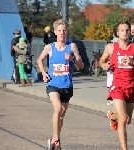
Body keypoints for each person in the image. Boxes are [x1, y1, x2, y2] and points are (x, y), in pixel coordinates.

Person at [37, 19, 84, 150]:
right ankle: (57, 141)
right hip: (53, 84)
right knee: (57, 109)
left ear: (67, 31)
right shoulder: (49, 47)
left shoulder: (72, 46)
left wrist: (73, 59)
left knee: (61, 115)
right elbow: (39, 59)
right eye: (59, 30)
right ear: (55, 32)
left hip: (67, 86)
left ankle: (53, 138)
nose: (62, 33)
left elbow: (81, 65)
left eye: (64, 30)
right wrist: (43, 73)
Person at [100, 20, 134, 150]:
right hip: (117, 87)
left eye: (127, 30)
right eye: (122, 30)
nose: (125, 32)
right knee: (123, 119)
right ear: (117, 32)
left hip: (131, 87)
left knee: (128, 119)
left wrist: (133, 62)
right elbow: (102, 61)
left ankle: (112, 116)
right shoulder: (111, 47)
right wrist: (104, 65)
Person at [107, 28, 119, 106]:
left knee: (111, 83)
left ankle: (113, 99)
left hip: (112, 67)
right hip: (118, 68)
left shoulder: (111, 44)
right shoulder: (127, 43)